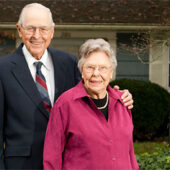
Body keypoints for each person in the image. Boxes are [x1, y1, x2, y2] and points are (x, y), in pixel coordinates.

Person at [0, 3, 133, 170]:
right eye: (30, 29)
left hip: (66, 161)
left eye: (43, 29)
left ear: (52, 31)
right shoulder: (3, 69)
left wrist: (118, 95)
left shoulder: (69, 62)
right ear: (19, 30)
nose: (37, 35)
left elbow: (90, 91)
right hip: (22, 165)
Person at [43, 38, 139, 170]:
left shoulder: (123, 103)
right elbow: (52, 158)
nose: (96, 74)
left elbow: (130, 153)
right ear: (81, 70)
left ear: (111, 73)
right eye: (90, 67)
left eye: (103, 68)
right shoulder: (65, 105)